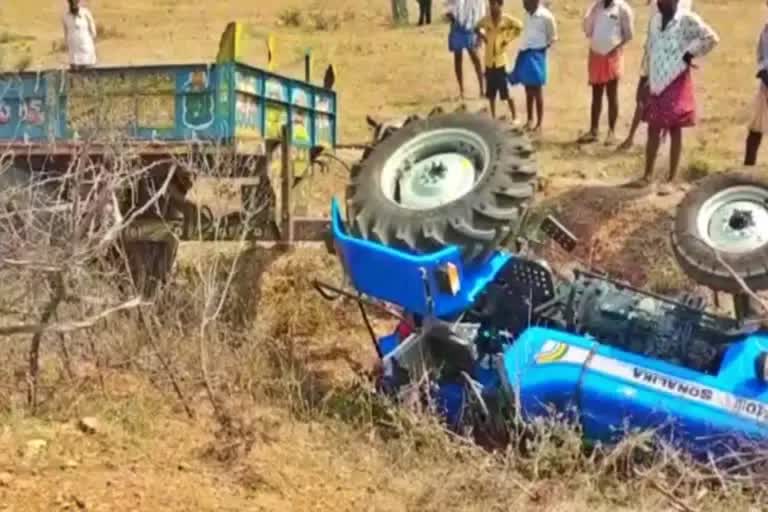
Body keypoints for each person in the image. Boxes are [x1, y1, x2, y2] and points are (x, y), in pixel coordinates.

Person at [632, 0, 718, 192]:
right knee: (653, 127)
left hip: (675, 78)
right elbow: (649, 49)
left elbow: (711, 38)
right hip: (656, 81)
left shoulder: (686, 19)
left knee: (674, 127)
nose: (661, 3)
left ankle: (671, 179)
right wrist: (644, 78)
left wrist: (690, 53)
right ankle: (647, 176)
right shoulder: (655, 20)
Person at [618, 0, 694, 151]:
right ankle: (636, 138)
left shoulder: (675, 7)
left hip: (664, 58)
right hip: (661, 53)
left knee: (648, 99)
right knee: (646, 98)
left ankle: (635, 138)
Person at [579, 0, 634, 145]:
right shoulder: (595, 6)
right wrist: (587, 16)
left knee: (611, 94)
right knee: (596, 94)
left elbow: (628, 35)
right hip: (596, 54)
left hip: (612, 56)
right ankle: (594, 130)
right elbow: (587, 30)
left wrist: (614, 47)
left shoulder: (623, 8)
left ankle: (611, 132)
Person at [507, 0, 557, 134]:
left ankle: (539, 123)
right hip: (525, 52)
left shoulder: (546, 16)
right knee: (528, 87)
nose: (524, 4)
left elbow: (552, 37)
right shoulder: (526, 15)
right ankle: (530, 120)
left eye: (526, 2)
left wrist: (541, 50)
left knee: (537, 89)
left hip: (537, 54)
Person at [475, 0, 523, 120]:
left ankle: (515, 117)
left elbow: (519, 27)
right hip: (489, 62)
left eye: (494, 4)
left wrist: (508, 38)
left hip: (501, 62)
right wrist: (483, 37)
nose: (491, 6)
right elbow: (476, 27)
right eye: (490, 4)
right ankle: (492, 116)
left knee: (506, 93)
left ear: (500, 4)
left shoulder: (506, 20)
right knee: (491, 94)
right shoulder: (486, 20)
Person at [445, 0, 487, 99]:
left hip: (471, 28)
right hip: (457, 27)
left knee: (475, 58)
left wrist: (481, 33)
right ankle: (461, 91)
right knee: (458, 59)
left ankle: (482, 89)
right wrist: (450, 14)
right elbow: (449, 6)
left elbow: (481, 13)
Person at [744, 10, 768, 166]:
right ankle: (748, 170)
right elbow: (761, 55)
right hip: (766, 84)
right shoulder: (766, 30)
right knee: (755, 131)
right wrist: (762, 71)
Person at [62, 0, 97, 70]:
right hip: (73, 53)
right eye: (71, 2)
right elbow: (66, 33)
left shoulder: (86, 13)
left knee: (88, 74)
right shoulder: (66, 16)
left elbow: (93, 33)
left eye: (75, 2)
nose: (73, 4)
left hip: (86, 52)